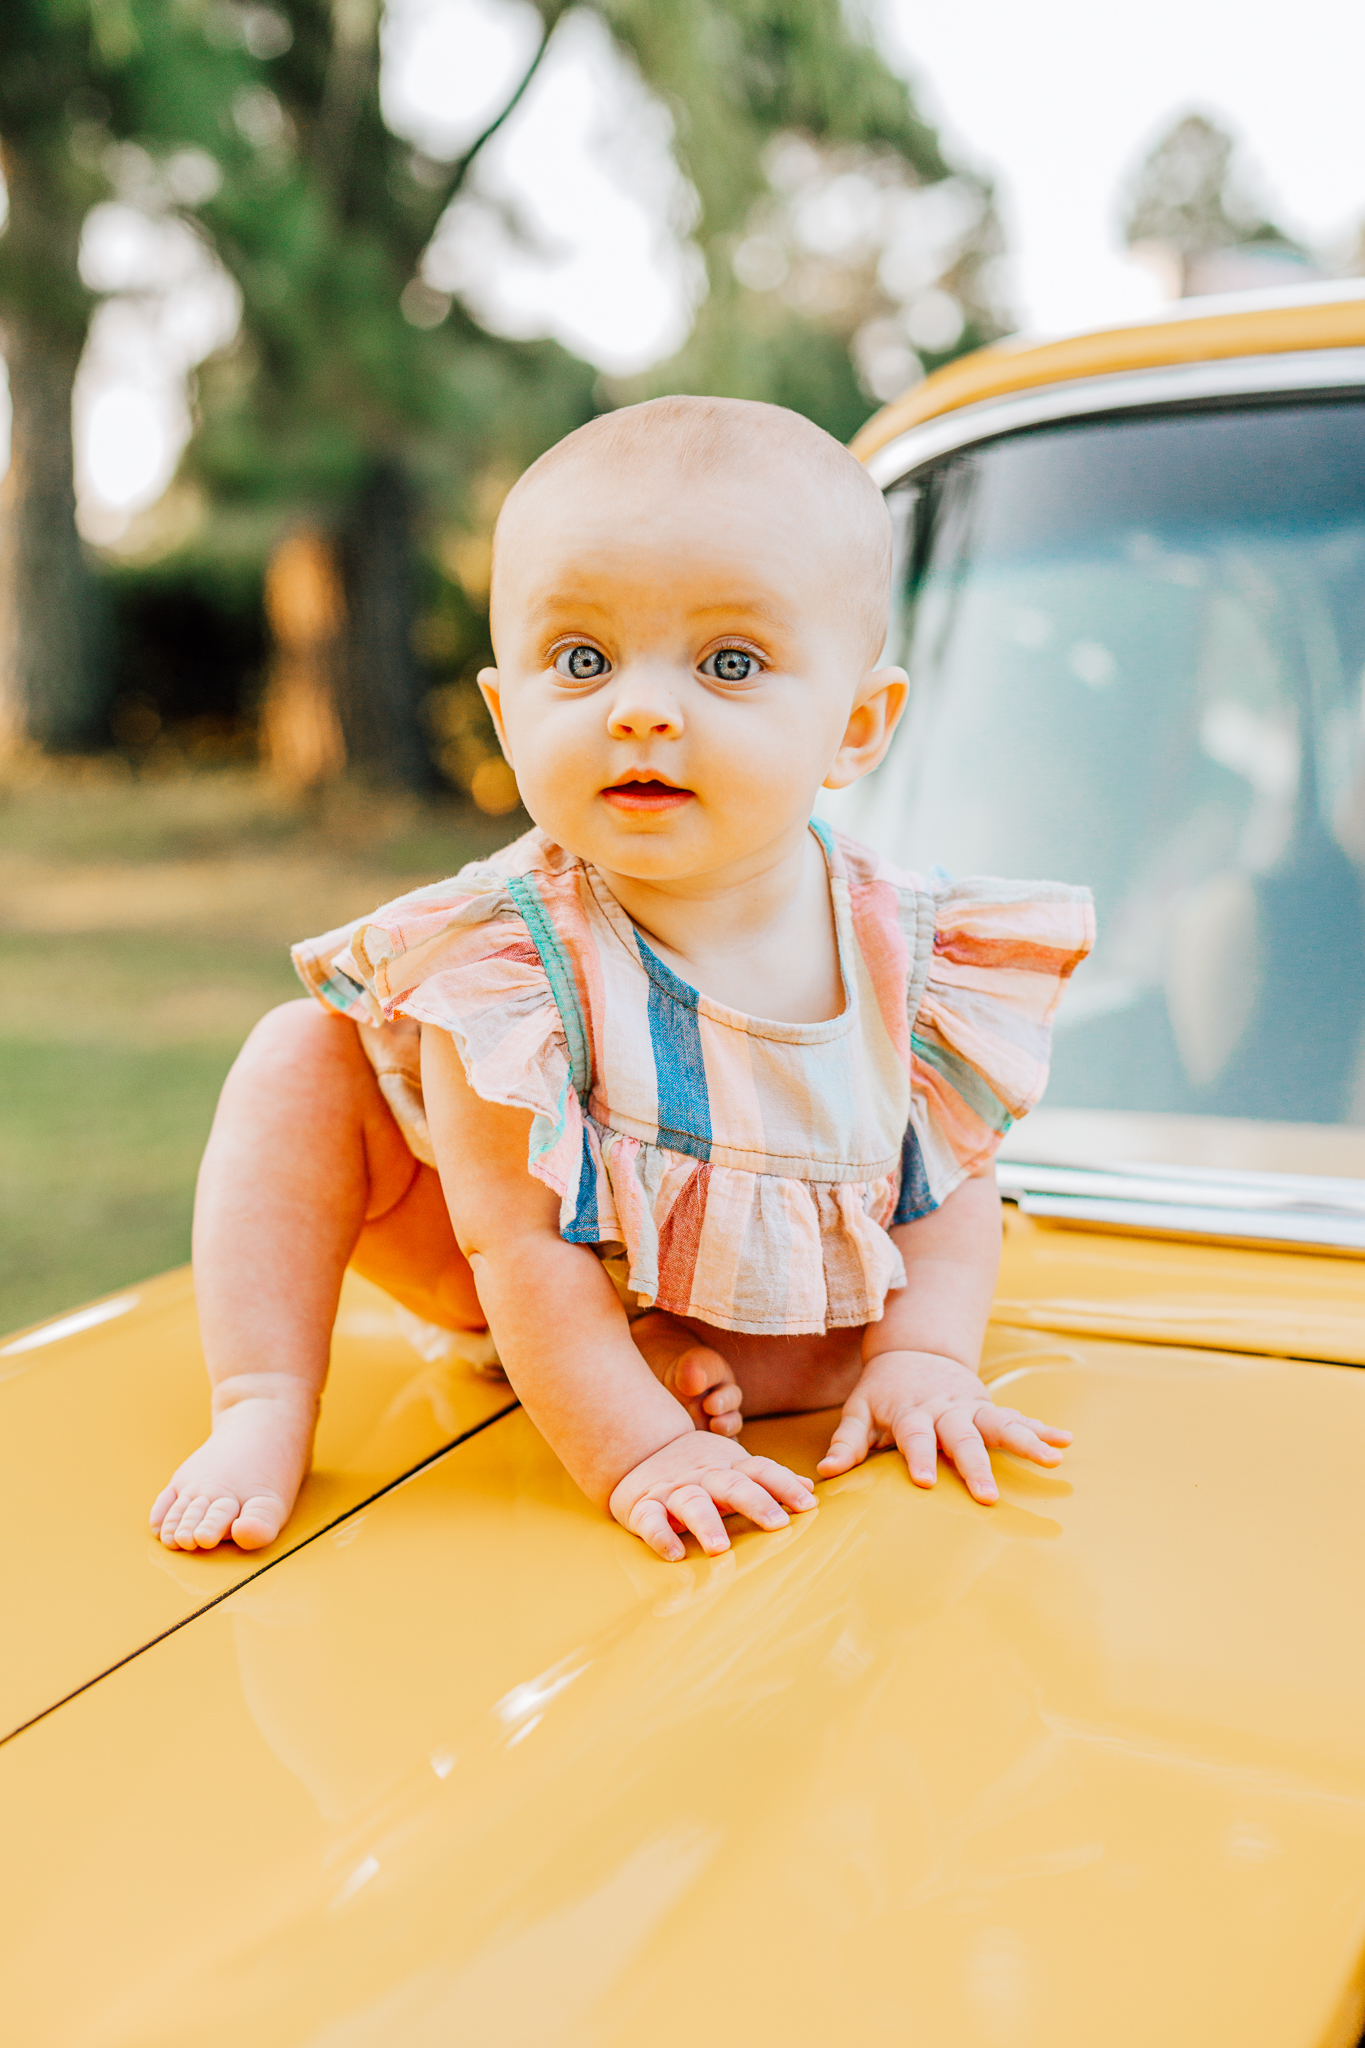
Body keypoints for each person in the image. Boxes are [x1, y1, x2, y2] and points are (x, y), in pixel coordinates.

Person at [151, 396, 1093, 1565]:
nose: (642, 708)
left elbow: (947, 1176)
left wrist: (927, 1357)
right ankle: (262, 1399)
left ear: (857, 725)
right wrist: (642, 1452)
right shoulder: (503, 958)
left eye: (730, 661)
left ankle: (675, 1354)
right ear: (507, 714)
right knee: (298, 1055)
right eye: (582, 659)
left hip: (772, 1314)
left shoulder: (912, 945)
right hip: (519, 1270)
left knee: (837, 1347)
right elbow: (517, 1246)